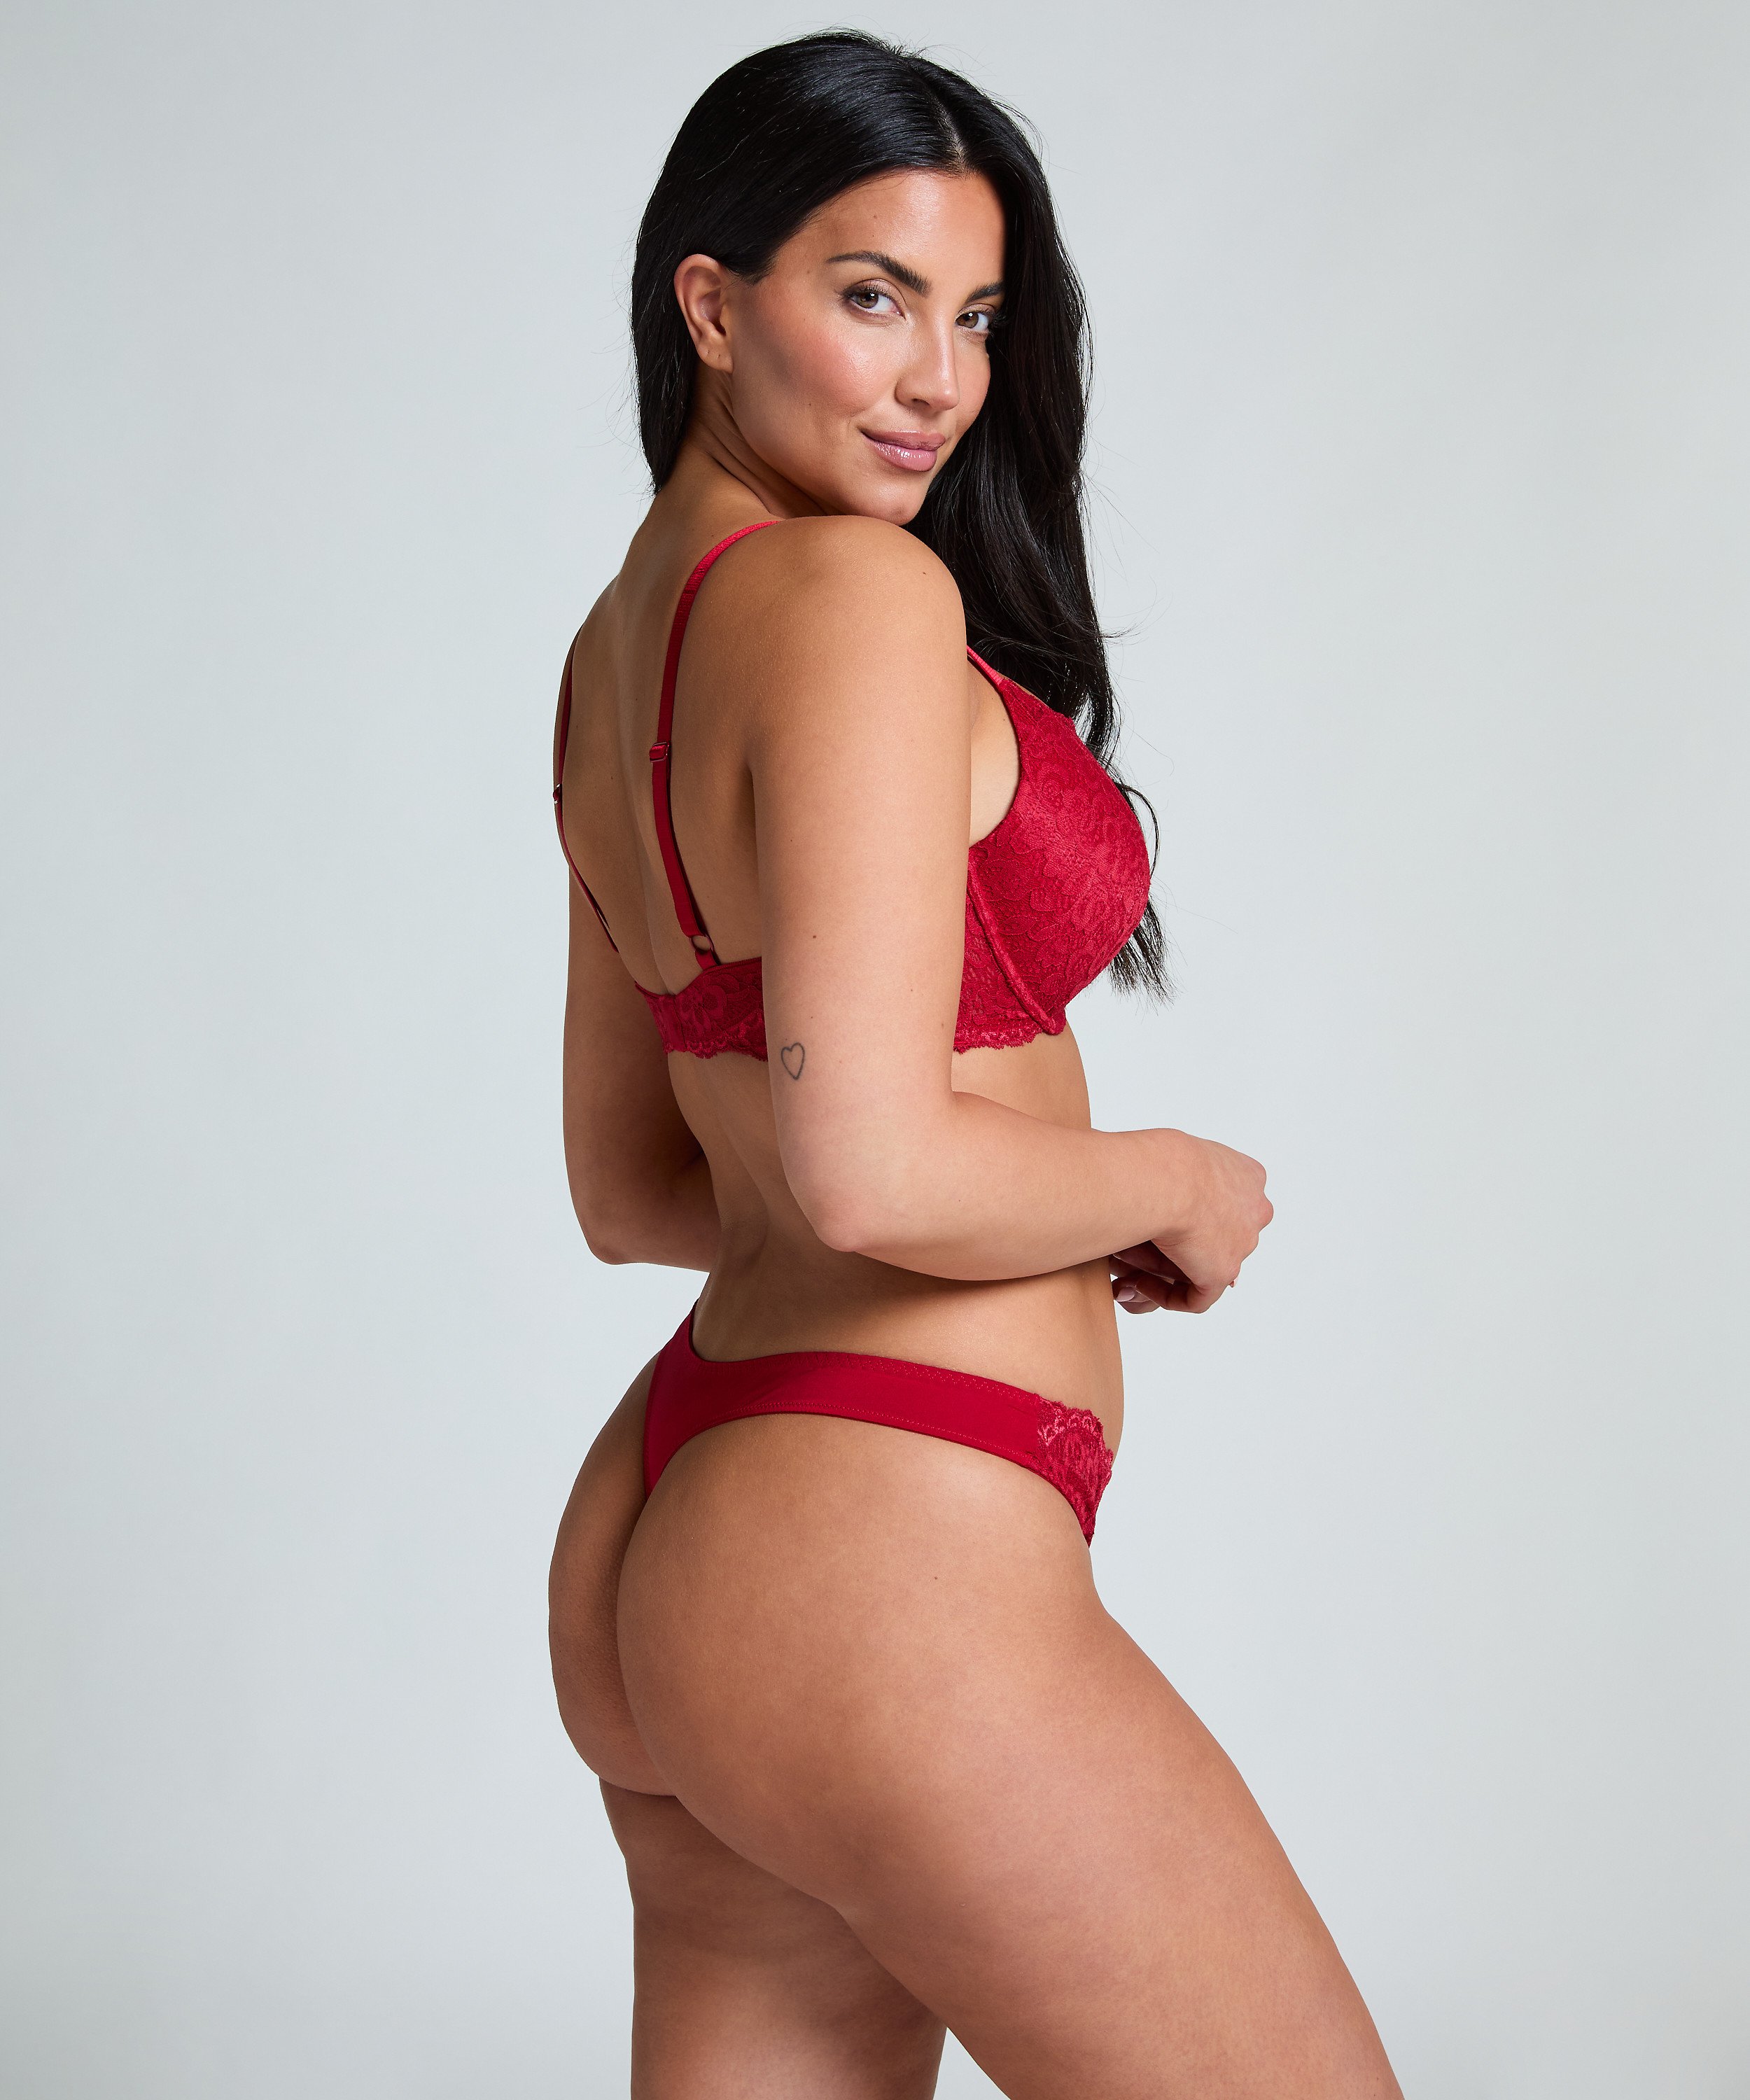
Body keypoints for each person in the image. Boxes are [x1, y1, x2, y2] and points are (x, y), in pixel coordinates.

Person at [547, 31, 1401, 2099]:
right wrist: (1167, 1181)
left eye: (979, 317)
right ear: (710, 302)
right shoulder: (850, 592)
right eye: (874, 297)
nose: (938, 378)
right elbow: (867, 1169)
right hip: (874, 1562)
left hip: (684, 1531)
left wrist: (1007, 1201)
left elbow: (638, 1190)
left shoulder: (616, 650)